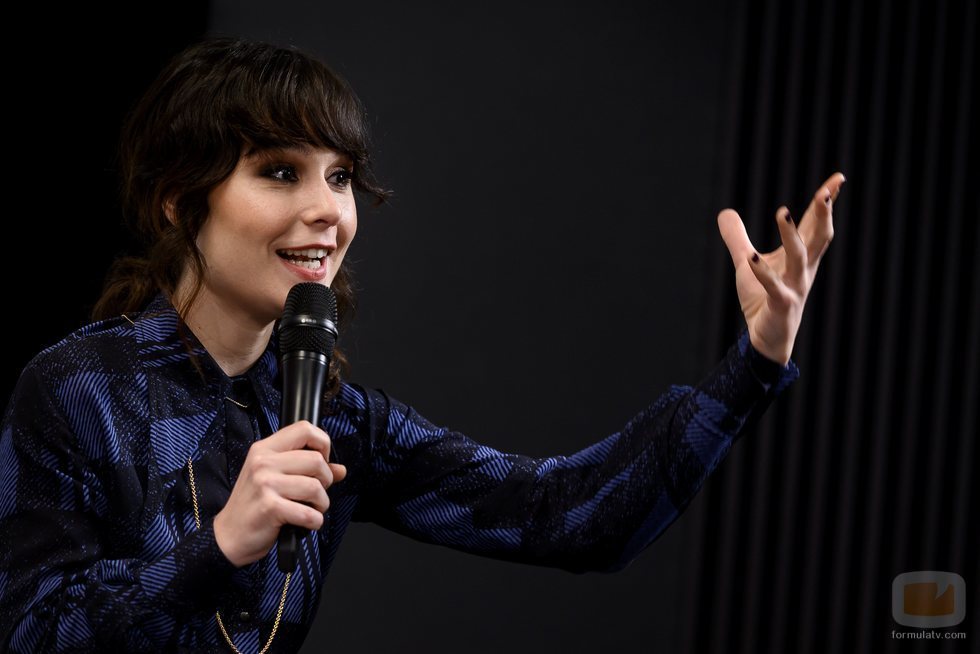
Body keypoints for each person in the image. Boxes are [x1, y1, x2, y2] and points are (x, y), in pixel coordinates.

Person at [0, 37, 844, 653]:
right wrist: (217, 546)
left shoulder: (336, 418)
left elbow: (567, 517)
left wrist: (755, 363)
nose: (329, 210)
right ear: (179, 202)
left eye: (340, 177)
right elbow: (34, 632)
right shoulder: (78, 388)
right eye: (281, 171)